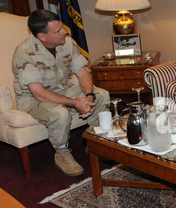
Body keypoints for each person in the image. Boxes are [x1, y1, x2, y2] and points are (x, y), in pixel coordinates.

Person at [12, 9, 109, 177]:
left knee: (102, 95)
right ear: (42, 36)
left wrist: (89, 96)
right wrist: (75, 103)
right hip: (33, 99)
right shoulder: (24, 53)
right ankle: (62, 153)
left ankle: (95, 141)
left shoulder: (68, 43)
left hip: (62, 88)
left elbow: (82, 73)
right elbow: (38, 93)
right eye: (58, 31)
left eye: (62, 27)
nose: (64, 32)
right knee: (60, 113)